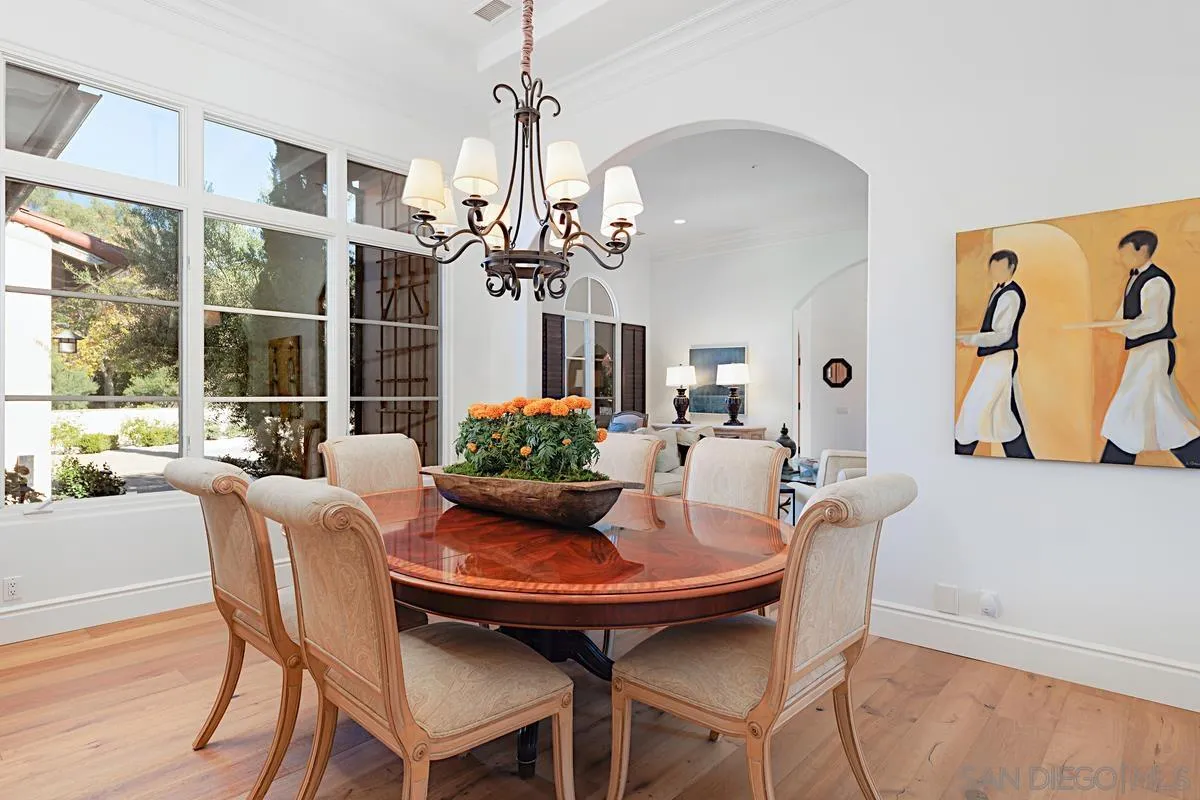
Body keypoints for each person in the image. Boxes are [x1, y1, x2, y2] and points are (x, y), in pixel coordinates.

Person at [1099, 230, 1200, 467]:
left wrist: (1124, 328)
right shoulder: (1134, 277)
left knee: (1134, 408)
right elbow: (1125, 314)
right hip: (1141, 354)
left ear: (1142, 251)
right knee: (1160, 412)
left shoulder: (1156, 281)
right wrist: (1114, 324)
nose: (1122, 260)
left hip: (1154, 353)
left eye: (1125, 254)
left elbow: (1155, 321)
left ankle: (1112, 466)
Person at [955, 249, 1035, 458]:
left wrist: (972, 339)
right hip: (996, 359)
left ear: (1011, 268)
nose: (996, 272)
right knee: (1002, 413)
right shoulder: (999, 292)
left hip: (1001, 358)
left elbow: (1002, 334)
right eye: (993, 268)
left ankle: (959, 454)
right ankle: (1023, 459)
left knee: (977, 409)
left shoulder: (1010, 295)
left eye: (1001, 268)